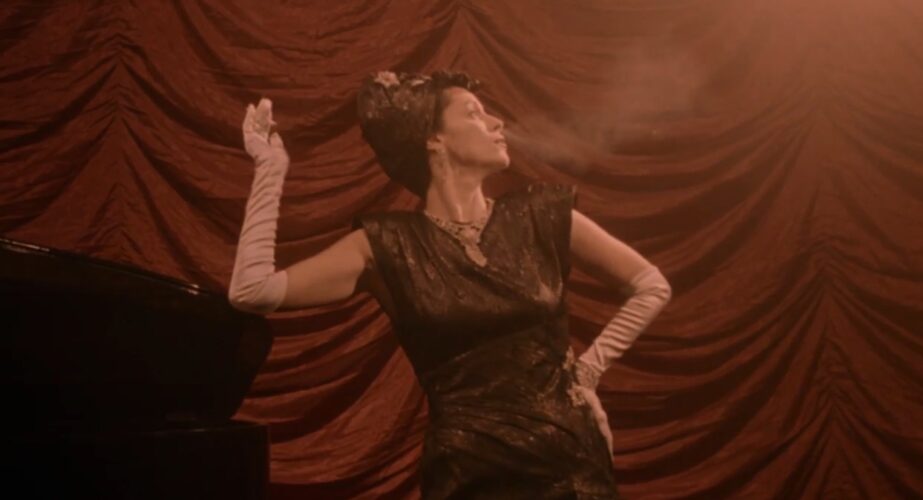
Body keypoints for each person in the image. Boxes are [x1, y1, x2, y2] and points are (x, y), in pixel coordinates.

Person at [228, 69, 672, 499]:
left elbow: (651, 285)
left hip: (570, 464)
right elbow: (252, 291)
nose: (497, 123)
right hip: (468, 473)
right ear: (433, 138)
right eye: (474, 113)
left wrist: (588, 371)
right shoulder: (387, 245)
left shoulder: (541, 214)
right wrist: (270, 168)